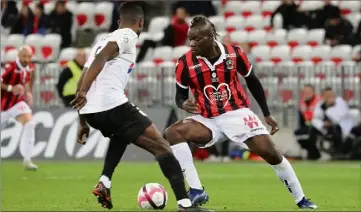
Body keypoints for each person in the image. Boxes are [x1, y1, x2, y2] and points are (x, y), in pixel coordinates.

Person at [164, 16, 317, 209]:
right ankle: (196, 190)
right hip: (207, 119)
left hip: (237, 114)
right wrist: (183, 104)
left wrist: (267, 113)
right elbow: (179, 96)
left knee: (272, 154)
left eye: (197, 39)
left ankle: (301, 199)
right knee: (172, 132)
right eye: (190, 39)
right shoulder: (184, 63)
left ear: (210, 36)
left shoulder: (233, 54)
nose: (191, 44)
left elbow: (252, 80)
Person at [70, 3, 210, 212]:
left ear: (118, 21)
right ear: (141, 23)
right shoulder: (128, 34)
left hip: (92, 111)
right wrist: (82, 93)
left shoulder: (102, 40)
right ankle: (185, 204)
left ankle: (105, 182)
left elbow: (84, 72)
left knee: (123, 133)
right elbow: (102, 58)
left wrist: (83, 119)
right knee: (162, 146)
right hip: (110, 104)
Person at [1, 45, 37, 170]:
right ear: (18, 56)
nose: (26, 59)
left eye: (29, 56)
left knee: (30, 124)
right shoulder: (10, 67)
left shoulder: (31, 67)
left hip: (16, 103)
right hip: (2, 104)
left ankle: (27, 160)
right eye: (24, 56)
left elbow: (26, 81)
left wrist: (28, 93)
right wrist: (11, 88)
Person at [309, 88, 356, 159]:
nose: (329, 97)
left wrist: (329, 110)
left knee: (336, 129)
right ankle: (314, 155)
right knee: (312, 129)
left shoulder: (340, 102)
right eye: (327, 95)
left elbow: (339, 117)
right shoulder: (320, 105)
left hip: (340, 128)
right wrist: (323, 124)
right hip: (325, 128)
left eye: (331, 95)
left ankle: (338, 153)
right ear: (323, 96)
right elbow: (315, 118)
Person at [294, 85, 320, 159]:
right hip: (307, 125)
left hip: (317, 125)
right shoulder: (303, 103)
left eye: (309, 92)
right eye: (305, 92)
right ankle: (314, 153)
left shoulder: (318, 102)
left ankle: (313, 154)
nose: (307, 94)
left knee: (310, 133)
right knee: (298, 133)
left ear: (313, 92)